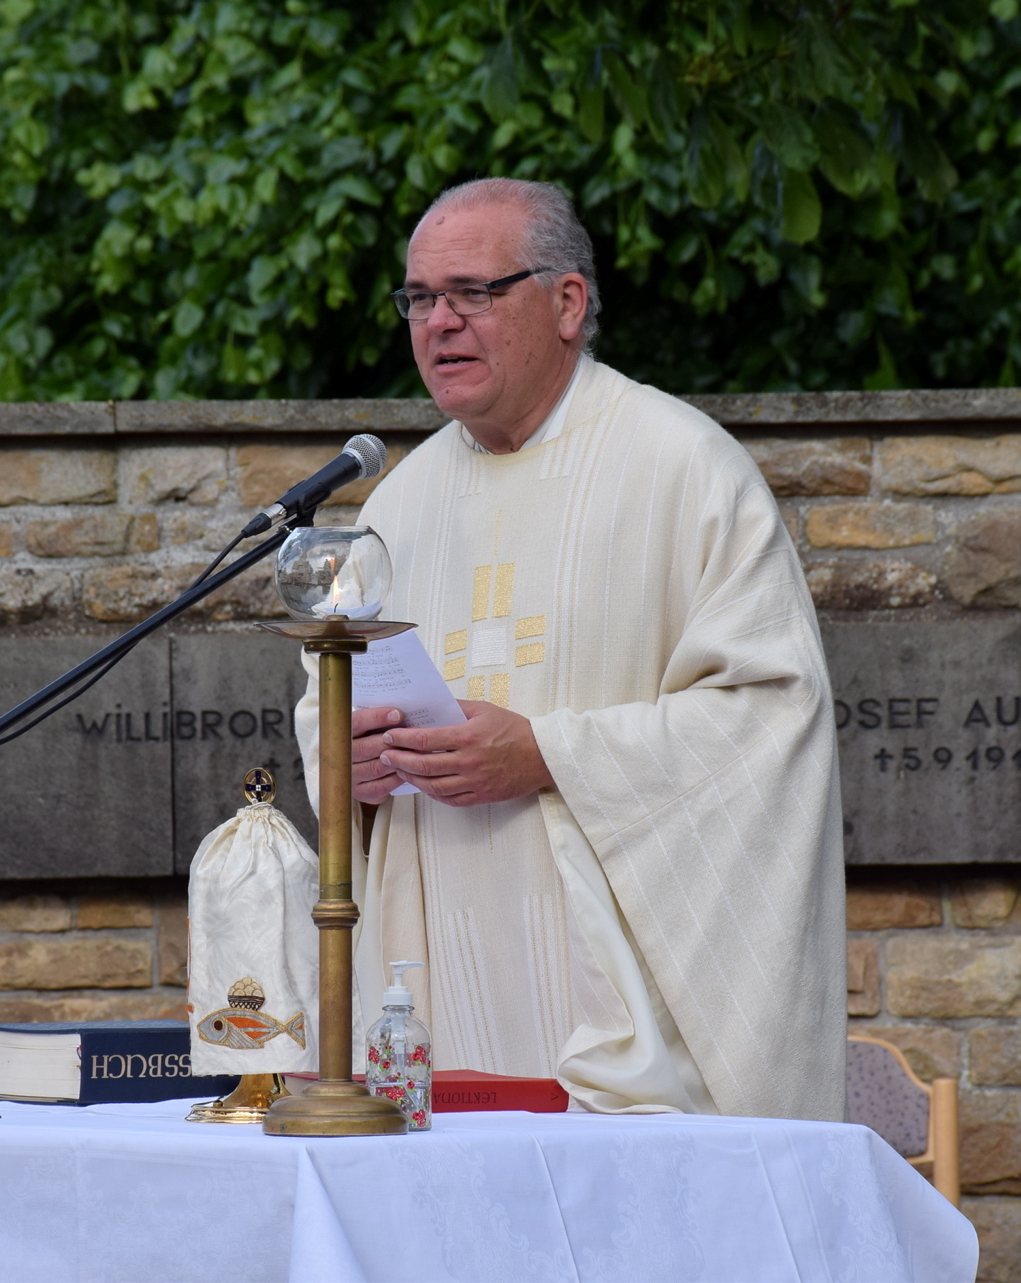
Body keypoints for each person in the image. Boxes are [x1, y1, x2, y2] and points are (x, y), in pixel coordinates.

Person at [295, 178, 845, 1120]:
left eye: (472, 292)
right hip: (436, 978)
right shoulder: (398, 507)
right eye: (419, 298)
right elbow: (327, 701)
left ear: (567, 303)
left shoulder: (683, 468)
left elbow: (771, 717)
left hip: (619, 1008)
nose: (439, 323)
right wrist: (355, 758)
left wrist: (547, 753)